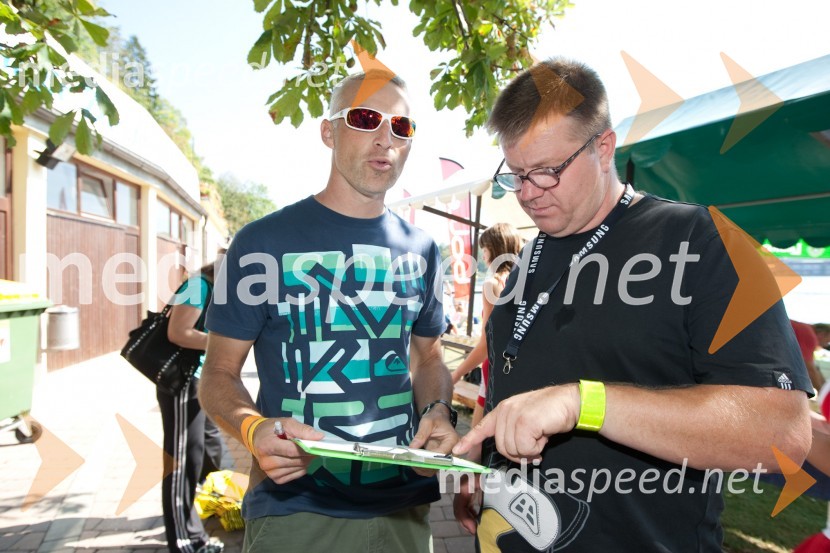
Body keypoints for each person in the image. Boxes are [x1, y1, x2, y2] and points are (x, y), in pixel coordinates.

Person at [451, 58, 812, 551]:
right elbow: (513, 387)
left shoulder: (704, 242)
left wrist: (585, 402)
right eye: (515, 175)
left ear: (604, 148)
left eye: (547, 172)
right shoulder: (525, 259)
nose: (528, 195)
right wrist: (483, 466)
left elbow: (782, 435)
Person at [199, 70, 458, 553]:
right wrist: (253, 430)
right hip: (296, 509)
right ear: (328, 131)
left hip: (403, 504)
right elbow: (216, 373)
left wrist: (438, 411)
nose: (386, 139)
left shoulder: (422, 249)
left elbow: (429, 360)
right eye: (366, 119)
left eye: (402, 127)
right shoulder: (262, 244)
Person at [160, 260, 227, 553]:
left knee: (210, 449)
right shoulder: (198, 286)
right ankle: (186, 539)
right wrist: (225, 342)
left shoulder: (214, 287)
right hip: (182, 383)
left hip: (201, 379)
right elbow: (178, 332)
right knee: (183, 461)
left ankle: (214, 504)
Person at [450, 223, 523, 428]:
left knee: (476, 442)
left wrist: (455, 375)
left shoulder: (493, 284)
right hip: (519, 372)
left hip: (494, 370)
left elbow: (486, 345)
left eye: (485, 249)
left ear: (496, 249)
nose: (483, 256)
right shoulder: (524, 281)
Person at [792, 320, 825, 390]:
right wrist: (822, 393)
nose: (824, 346)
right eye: (828, 342)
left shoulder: (804, 329)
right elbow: (810, 369)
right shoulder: (810, 337)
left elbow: (813, 367)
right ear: (822, 334)